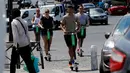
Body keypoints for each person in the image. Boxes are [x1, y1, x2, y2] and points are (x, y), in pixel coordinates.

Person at [10, 8, 36, 73]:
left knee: (13, 63)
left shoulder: (14, 22)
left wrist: (16, 46)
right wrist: (29, 43)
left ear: (13, 14)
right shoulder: (24, 21)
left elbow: (15, 36)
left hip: (18, 45)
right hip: (26, 44)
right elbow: (27, 33)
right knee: (29, 63)